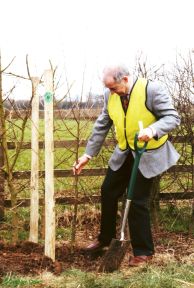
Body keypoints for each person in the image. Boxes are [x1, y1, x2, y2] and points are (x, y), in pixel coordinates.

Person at [73, 63, 180, 267]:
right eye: (108, 88)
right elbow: (102, 124)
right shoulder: (110, 95)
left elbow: (173, 118)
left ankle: (143, 252)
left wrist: (152, 129)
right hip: (125, 152)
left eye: (113, 87)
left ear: (125, 79)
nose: (110, 92)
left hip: (148, 152)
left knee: (137, 200)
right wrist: (88, 155)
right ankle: (105, 240)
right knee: (108, 191)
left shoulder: (152, 90)